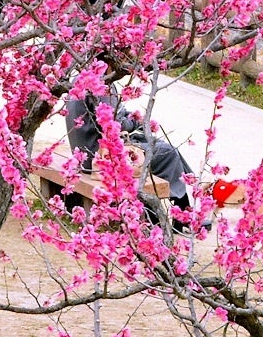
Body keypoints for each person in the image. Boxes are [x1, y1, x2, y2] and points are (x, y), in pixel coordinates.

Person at [64, 88, 195, 230]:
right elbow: (116, 123)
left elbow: (112, 114)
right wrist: (138, 121)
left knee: (159, 146)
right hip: (102, 157)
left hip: (83, 153)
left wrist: (132, 117)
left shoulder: (81, 77)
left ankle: (181, 209)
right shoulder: (100, 85)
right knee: (168, 153)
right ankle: (181, 214)